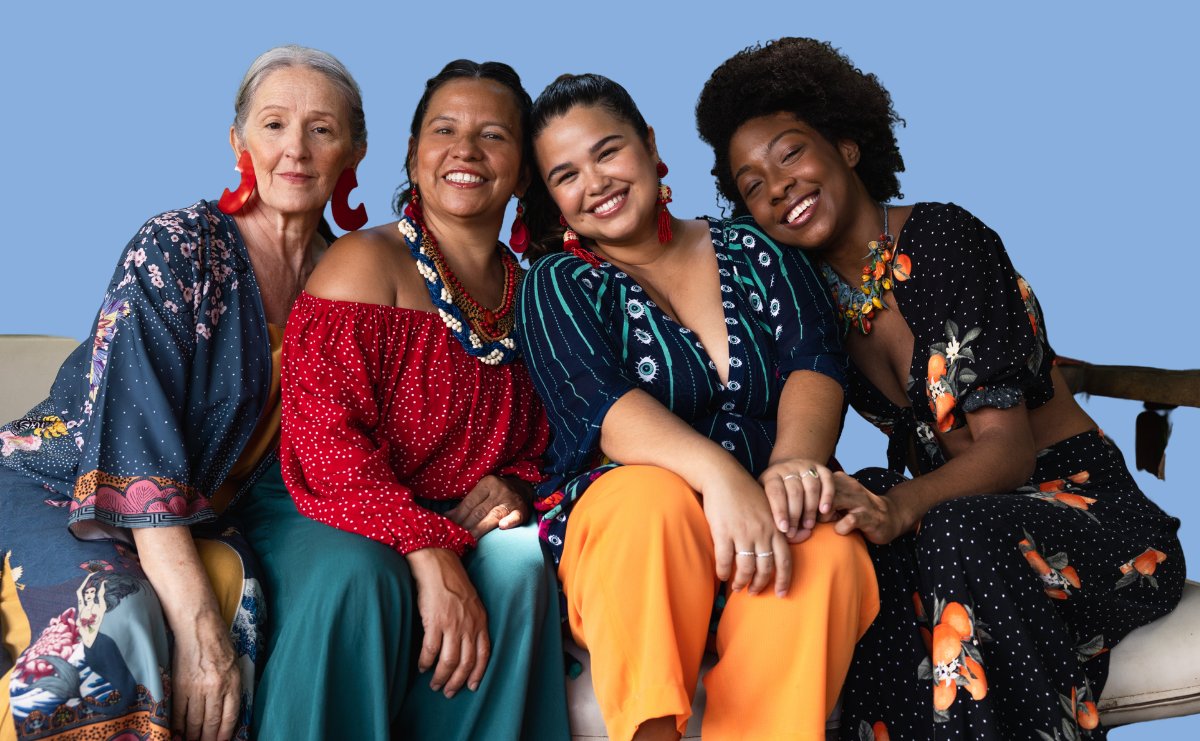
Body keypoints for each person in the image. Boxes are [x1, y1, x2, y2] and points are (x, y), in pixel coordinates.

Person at [696, 37, 1185, 741]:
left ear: (847, 146)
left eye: (790, 153)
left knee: (942, 529)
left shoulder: (944, 239)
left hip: (1088, 516)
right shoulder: (814, 312)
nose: (777, 186)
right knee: (854, 533)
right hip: (963, 531)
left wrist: (896, 506)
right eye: (751, 183)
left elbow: (1008, 453)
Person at [0, 44, 365, 741]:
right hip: (55, 479)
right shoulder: (176, 247)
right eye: (274, 124)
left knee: (247, 602)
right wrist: (198, 631)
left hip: (197, 516)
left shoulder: (348, 278)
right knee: (116, 615)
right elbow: (133, 446)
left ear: (354, 148)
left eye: (321, 128)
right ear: (238, 141)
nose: (296, 149)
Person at [518, 73, 879, 741]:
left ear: (649, 144)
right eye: (565, 174)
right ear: (553, 199)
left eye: (607, 151)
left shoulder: (755, 247)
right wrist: (721, 478)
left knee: (827, 544)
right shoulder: (558, 284)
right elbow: (604, 406)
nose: (594, 182)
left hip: (770, 515)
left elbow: (815, 361)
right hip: (635, 535)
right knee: (646, 499)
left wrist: (793, 464)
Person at [251, 59, 570, 741]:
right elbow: (323, 441)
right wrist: (427, 548)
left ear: (523, 168)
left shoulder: (537, 294)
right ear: (413, 152)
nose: (466, 150)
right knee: (363, 577)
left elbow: (561, 439)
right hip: (329, 500)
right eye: (444, 129)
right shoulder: (365, 265)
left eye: (494, 136)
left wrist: (513, 484)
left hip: (450, 509)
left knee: (519, 562)